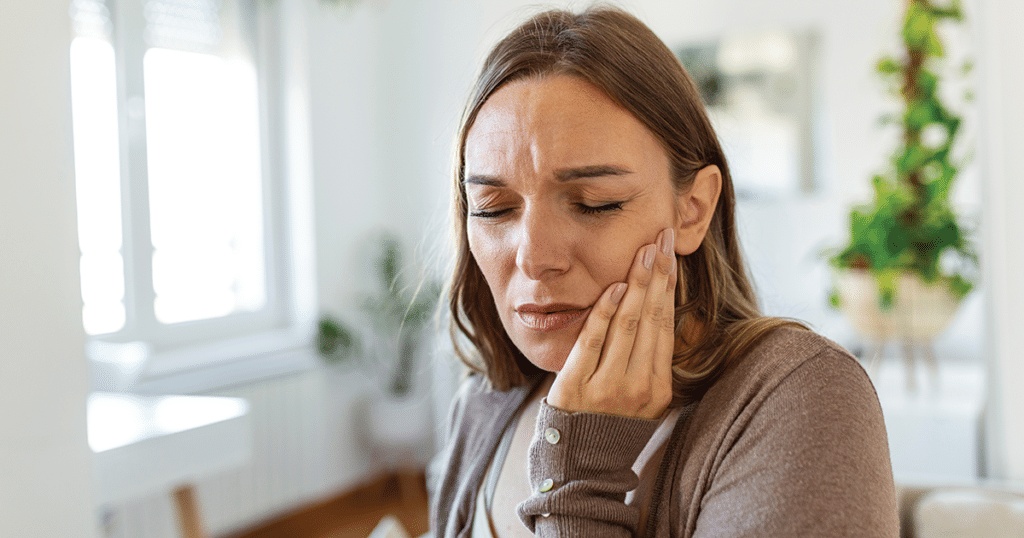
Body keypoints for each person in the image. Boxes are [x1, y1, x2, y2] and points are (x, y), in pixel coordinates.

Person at [429, 6, 898, 538]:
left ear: (693, 209)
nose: (534, 257)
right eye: (492, 208)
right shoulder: (483, 405)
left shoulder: (798, 396)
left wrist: (580, 477)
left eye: (595, 202)